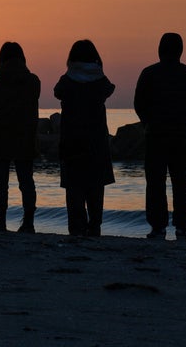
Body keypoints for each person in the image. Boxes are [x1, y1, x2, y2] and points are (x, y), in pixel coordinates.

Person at [134, 32, 186, 241]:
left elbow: (139, 103)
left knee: (155, 183)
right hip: (181, 135)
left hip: (155, 135)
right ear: (180, 50)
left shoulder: (149, 73)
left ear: (160, 49)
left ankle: (158, 227)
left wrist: (147, 122)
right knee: (181, 182)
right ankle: (182, 227)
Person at [54, 40, 115, 237]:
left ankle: (77, 229)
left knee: (74, 188)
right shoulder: (100, 80)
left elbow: (57, 92)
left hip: (72, 139)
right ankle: (95, 227)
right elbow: (109, 89)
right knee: (95, 187)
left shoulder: (67, 80)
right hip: (96, 139)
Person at [0, 42, 40, 233]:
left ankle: (1, 222)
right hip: (25, 136)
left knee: (0, 183)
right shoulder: (33, 81)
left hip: (1, 136)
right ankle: (28, 222)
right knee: (26, 182)